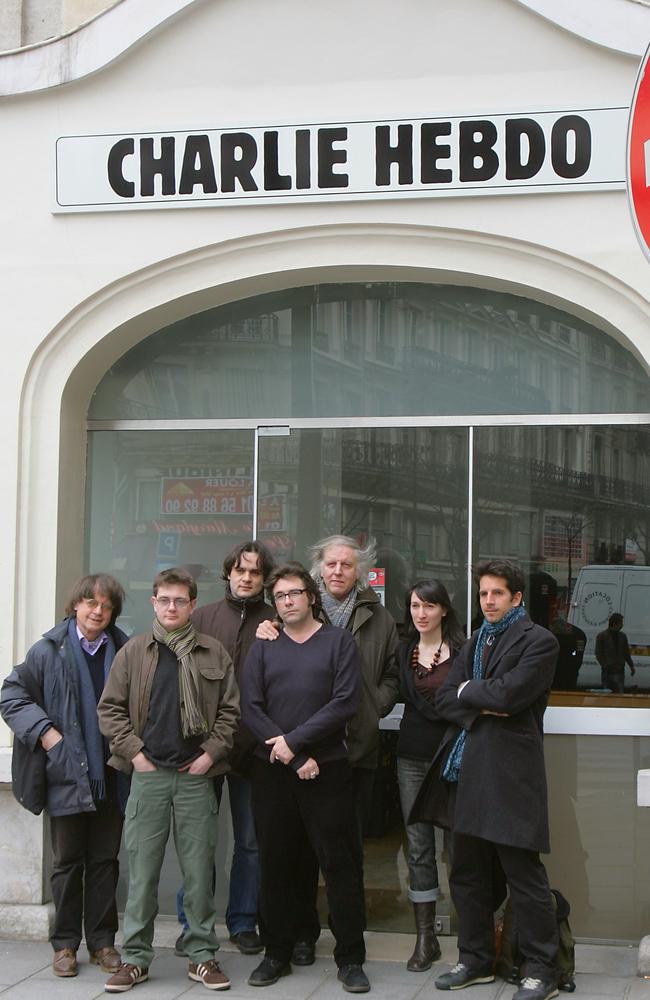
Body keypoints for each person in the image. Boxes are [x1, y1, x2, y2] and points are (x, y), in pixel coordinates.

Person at [256, 534, 399, 965]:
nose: (338, 571)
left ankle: (347, 945)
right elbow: (255, 694)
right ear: (318, 572)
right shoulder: (284, 617)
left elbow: (391, 675)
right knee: (294, 853)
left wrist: (373, 707)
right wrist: (293, 748)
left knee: (343, 855)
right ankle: (301, 935)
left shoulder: (380, 617)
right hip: (293, 754)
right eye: (331, 564)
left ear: (360, 571)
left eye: (347, 565)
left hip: (350, 753)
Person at [97, 567, 240, 993]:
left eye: (181, 600)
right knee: (142, 872)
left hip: (196, 777)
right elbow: (110, 711)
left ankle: (201, 956)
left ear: (193, 605)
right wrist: (135, 755)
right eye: (165, 600)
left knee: (199, 873)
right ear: (154, 602)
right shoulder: (134, 652)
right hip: (149, 775)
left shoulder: (214, 653)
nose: (172, 606)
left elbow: (231, 713)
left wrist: (210, 754)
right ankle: (136, 958)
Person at [432, 560, 560, 1000]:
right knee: (467, 874)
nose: (488, 601)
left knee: (524, 875)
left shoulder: (539, 641)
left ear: (516, 597)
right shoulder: (473, 642)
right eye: (483, 593)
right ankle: (475, 959)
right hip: (466, 772)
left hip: (509, 777)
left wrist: (470, 691)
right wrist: (475, 695)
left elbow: (511, 695)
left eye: (497, 594)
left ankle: (542, 969)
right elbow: (443, 697)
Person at [242, 562, 369, 994]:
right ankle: (276, 950)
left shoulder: (338, 642)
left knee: (339, 863)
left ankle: (351, 957)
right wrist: (290, 754)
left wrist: (294, 742)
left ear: (311, 596)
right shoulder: (265, 645)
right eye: (279, 596)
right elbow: (251, 707)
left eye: (294, 593)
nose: (287, 601)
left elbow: (344, 702)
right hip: (274, 771)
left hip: (327, 768)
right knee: (276, 861)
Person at [0, 574, 128, 979]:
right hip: (67, 773)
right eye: (90, 602)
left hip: (112, 773)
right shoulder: (47, 650)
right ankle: (66, 945)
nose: (97, 611)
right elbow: (10, 695)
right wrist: (47, 734)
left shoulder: (125, 649)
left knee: (106, 860)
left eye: (106, 606)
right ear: (75, 605)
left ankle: (104, 942)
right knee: (68, 862)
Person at [175, 540, 275, 958]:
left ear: (264, 579)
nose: (247, 578)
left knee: (250, 843)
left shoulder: (278, 619)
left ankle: (242, 921)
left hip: (254, 751)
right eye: (240, 571)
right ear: (228, 574)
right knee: (200, 842)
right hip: (204, 750)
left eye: (254, 572)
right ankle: (193, 926)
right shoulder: (201, 618)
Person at [396, 579, 465, 972]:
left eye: (428, 606)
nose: (420, 614)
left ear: (443, 609)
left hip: (452, 756)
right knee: (419, 846)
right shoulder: (404, 649)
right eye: (415, 606)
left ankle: (471, 932)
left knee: (458, 846)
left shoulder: (462, 650)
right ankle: (426, 939)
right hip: (411, 757)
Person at [595, 613, 635, 694]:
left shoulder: (622, 636)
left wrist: (631, 665)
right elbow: (598, 653)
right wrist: (605, 665)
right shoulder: (602, 636)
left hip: (619, 669)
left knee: (619, 693)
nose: (622, 625)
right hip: (608, 670)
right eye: (621, 623)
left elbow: (626, 652)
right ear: (614, 624)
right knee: (607, 693)